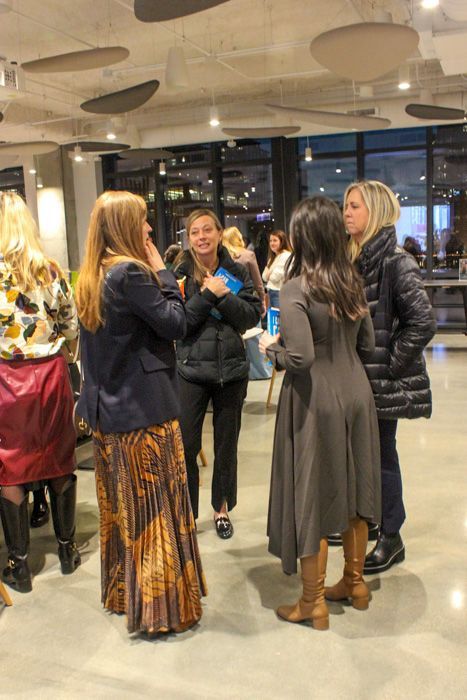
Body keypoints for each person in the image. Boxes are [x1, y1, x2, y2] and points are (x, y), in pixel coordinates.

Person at [75, 191, 206, 635]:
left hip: (107, 415)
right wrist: (164, 271)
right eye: (144, 221)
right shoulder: (130, 273)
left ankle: (124, 596)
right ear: (126, 227)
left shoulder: (93, 274)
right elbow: (176, 323)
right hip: (143, 413)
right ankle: (160, 611)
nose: (150, 229)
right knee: (153, 514)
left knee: (122, 512)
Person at [259, 196, 380, 631]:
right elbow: (367, 344)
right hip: (357, 394)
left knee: (312, 498)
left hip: (316, 401)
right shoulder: (352, 282)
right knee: (355, 493)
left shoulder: (297, 288)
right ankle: (356, 584)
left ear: (303, 237)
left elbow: (302, 357)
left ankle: (312, 602)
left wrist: (272, 351)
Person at [343, 180, 436, 574]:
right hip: (357, 380)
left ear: (376, 211)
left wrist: (390, 365)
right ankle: (370, 521)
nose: (346, 213)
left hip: (380, 380)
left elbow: (423, 322)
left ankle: (392, 535)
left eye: (354, 206)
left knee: (381, 456)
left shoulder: (396, 262)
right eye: (345, 206)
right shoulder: (355, 259)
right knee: (362, 456)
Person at [0, 191, 80, 593]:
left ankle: (19, 565)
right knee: (59, 455)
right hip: (50, 374)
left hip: (6, 379)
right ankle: (67, 550)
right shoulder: (50, 270)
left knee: (10, 463)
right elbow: (70, 324)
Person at [174, 209, 261, 539]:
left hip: (231, 371)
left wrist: (223, 298)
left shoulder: (236, 270)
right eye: (194, 232)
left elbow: (251, 317)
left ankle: (221, 509)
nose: (201, 237)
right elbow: (180, 322)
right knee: (186, 445)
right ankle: (187, 513)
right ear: (189, 238)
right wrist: (208, 294)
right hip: (191, 371)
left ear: (219, 232)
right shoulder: (180, 272)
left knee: (226, 447)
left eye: (207, 230)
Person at [223, 226, 271, 380]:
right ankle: (260, 372)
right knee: (254, 338)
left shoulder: (221, 257)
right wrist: (262, 302)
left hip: (226, 303)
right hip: (247, 302)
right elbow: (258, 283)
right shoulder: (248, 255)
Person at [262, 230, 291, 309]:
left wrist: (269, 272)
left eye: (275, 240)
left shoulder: (285, 256)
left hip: (279, 293)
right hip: (271, 292)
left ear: (282, 242)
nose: (272, 243)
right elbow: (264, 277)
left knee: (278, 316)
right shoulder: (273, 258)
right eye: (270, 240)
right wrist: (269, 273)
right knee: (272, 316)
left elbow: (274, 277)